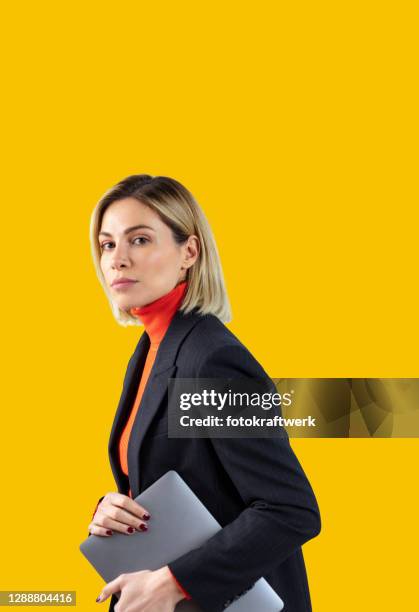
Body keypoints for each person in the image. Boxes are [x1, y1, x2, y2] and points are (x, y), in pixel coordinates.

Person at [87, 174, 321, 612]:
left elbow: (290, 510)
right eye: (107, 244)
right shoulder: (152, 349)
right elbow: (190, 481)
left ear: (188, 253)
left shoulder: (212, 361)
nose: (118, 260)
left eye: (139, 240)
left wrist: (175, 583)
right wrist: (115, 509)